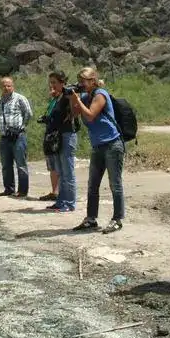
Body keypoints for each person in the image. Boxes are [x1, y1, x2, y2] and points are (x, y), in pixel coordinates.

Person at [68, 66, 125, 233]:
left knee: (115, 184)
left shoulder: (101, 94)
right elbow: (74, 114)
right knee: (93, 184)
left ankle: (117, 219)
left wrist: (78, 99)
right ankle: (91, 219)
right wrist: (73, 98)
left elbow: (91, 114)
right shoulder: (86, 96)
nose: (80, 84)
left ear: (92, 81)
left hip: (112, 144)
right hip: (98, 146)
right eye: (79, 82)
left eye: (82, 82)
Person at [39, 71, 78, 212]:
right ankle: (61, 201)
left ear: (62, 82)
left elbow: (75, 112)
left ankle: (69, 203)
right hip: (58, 136)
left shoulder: (69, 95)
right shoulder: (58, 97)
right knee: (61, 171)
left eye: (55, 82)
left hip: (67, 135)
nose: (52, 85)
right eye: (51, 82)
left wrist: (72, 96)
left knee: (68, 171)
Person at [0, 77, 33, 197]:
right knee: (6, 165)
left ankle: (22, 191)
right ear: (0, 87)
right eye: (4, 86)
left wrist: (21, 127)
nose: (6, 88)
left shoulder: (20, 98)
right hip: (4, 137)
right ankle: (9, 189)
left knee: (21, 164)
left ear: (13, 86)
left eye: (9, 86)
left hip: (18, 136)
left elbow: (28, 113)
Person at [38, 79, 61, 202]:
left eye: (54, 87)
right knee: (51, 165)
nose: (52, 90)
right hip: (49, 134)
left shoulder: (62, 100)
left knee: (58, 164)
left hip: (57, 136)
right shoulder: (53, 101)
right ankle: (54, 192)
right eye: (50, 88)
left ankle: (60, 192)